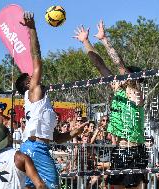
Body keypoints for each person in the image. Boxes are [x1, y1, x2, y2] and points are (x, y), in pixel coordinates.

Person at [15, 12, 88, 189]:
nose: (34, 75)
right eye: (30, 77)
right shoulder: (34, 91)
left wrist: (75, 133)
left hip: (32, 148)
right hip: (35, 149)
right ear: (28, 84)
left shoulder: (39, 104)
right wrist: (32, 29)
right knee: (52, 186)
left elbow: (55, 137)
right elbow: (36, 57)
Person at [74, 20, 148, 189]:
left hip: (135, 149)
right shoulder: (118, 88)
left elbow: (119, 65)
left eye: (127, 74)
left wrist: (104, 39)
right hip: (120, 149)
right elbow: (100, 65)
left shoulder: (135, 91)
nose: (123, 75)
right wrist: (86, 42)